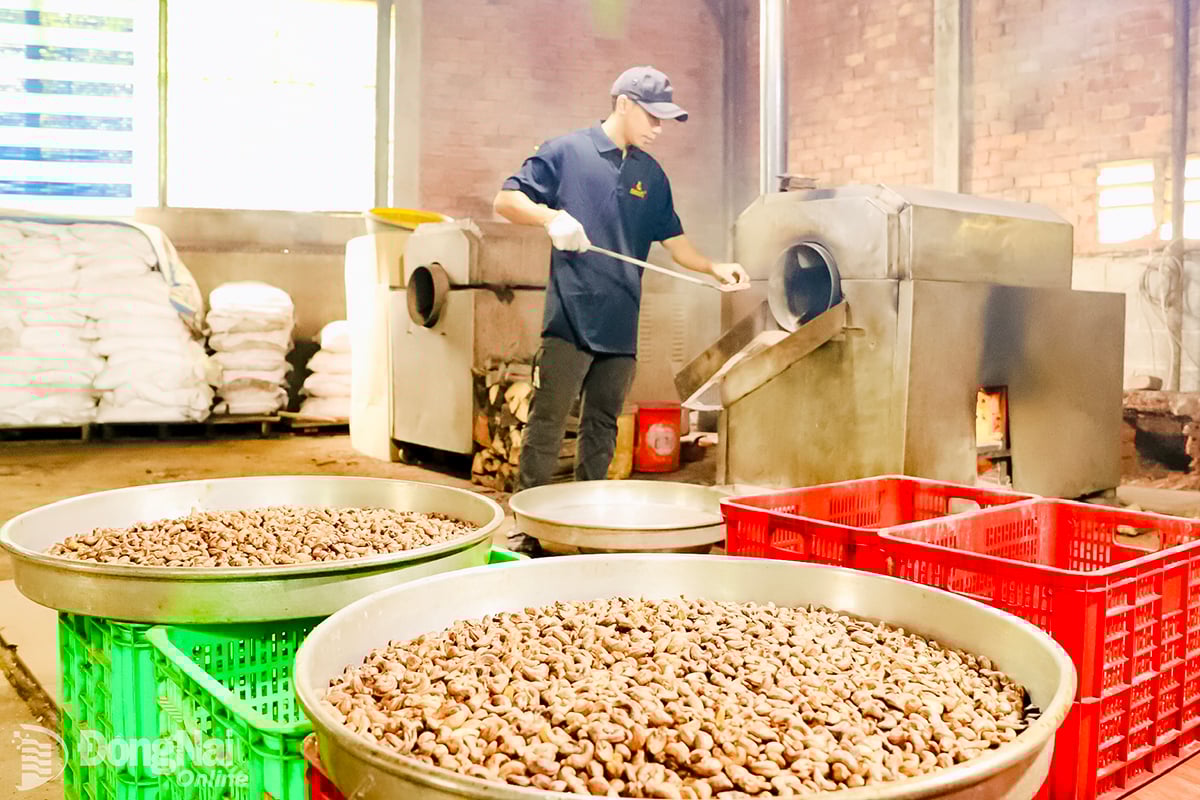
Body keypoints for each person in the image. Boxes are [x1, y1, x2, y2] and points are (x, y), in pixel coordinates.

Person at [493, 65, 748, 491]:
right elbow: (505, 200)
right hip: (570, 320)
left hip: (621, 325)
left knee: (602, 426)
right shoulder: (567, 152)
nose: (658, 128)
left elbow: (677, 244)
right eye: (652, 117)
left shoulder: (651, 175)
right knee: (548, 422)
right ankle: (529, 517)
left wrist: (714, 267)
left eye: (663, 120)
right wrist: (550, 218)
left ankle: (587, 513)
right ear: (624, 104)